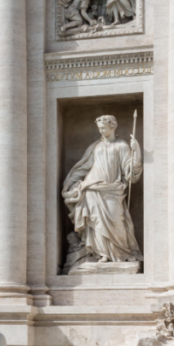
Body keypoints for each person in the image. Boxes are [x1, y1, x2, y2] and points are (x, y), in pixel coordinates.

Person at [62, 115, 143, 271]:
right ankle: (101, 255)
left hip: (112, 189)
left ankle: (120, 254)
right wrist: (71, 184)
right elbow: (83, 167)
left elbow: (130, 172)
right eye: (99, 128)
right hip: (92, 188)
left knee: (116, 220)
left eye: (104, 128)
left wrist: (136, 152)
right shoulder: (95, 146)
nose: (101, 131)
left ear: (113, 127)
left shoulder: (121, 146)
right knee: (96, 222)